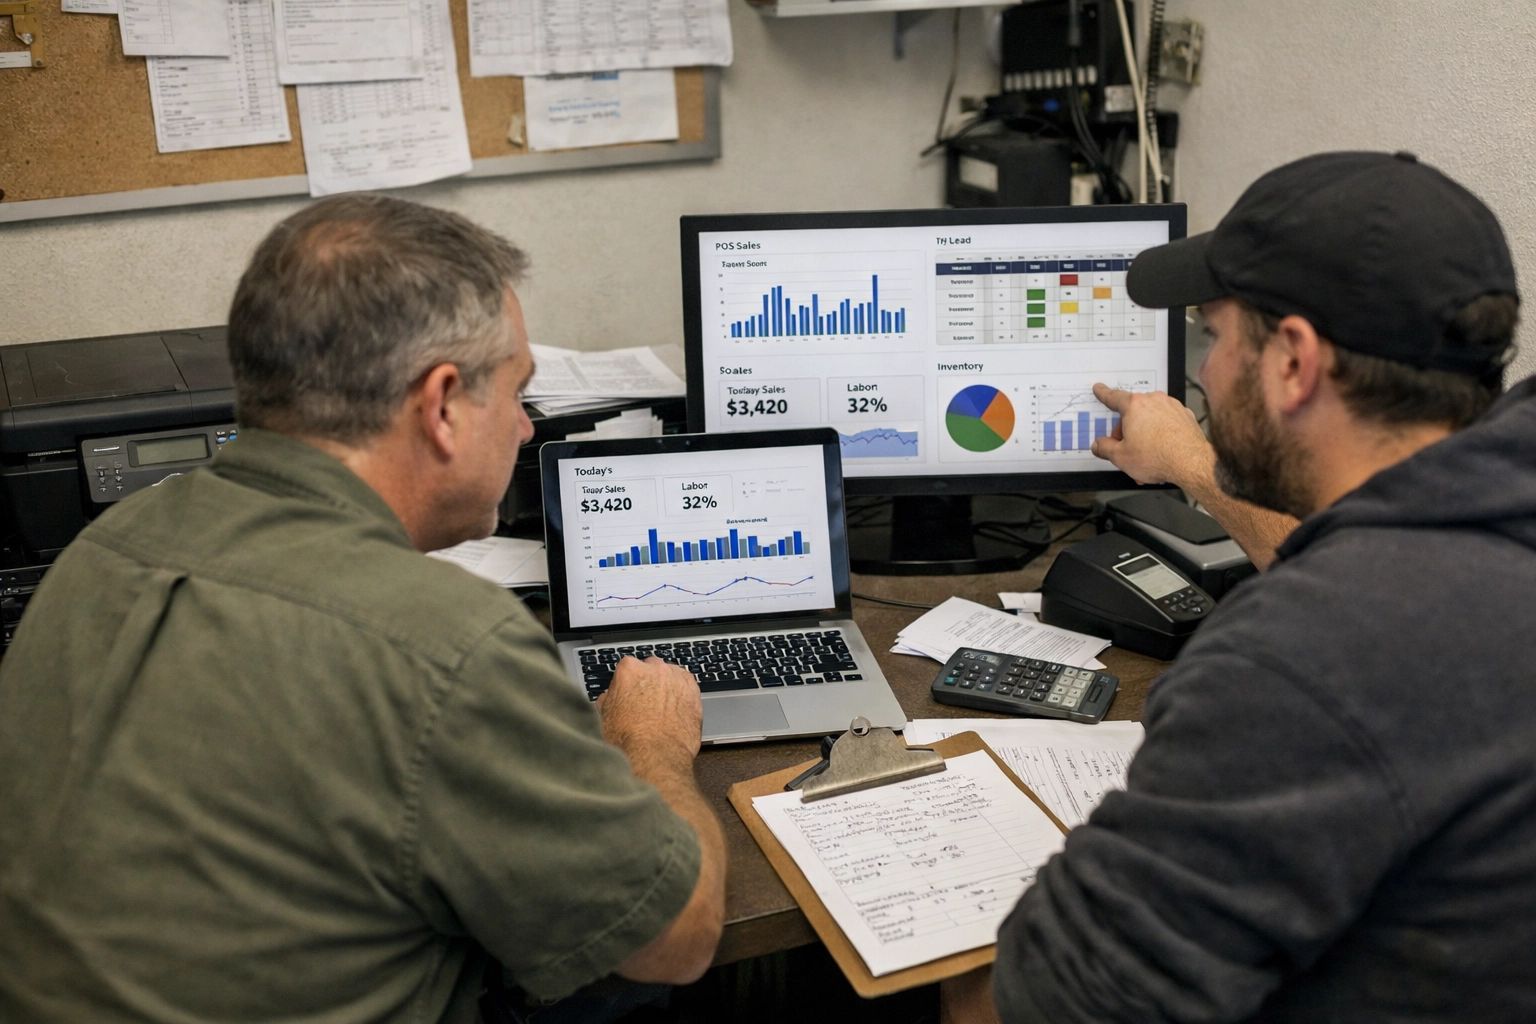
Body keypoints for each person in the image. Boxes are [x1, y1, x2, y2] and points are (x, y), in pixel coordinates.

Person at [0, 195, 725, 1023]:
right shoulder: (447, 647)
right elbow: (679, 935)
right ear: (442, 404)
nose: (526, 429)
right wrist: (652, 743)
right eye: (519, 392)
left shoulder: (102, 550)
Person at [950, 151, 1536, 1022]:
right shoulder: (1477, 535)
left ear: (1294, 361)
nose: (1205, 376)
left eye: (1216, 338)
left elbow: (1052, 1003)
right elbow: (1376, 550)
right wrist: (1194, 462)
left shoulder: (1299, 657)